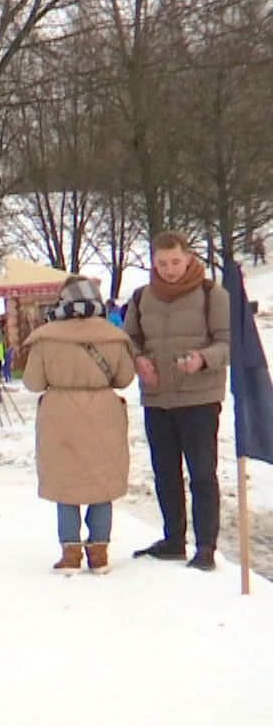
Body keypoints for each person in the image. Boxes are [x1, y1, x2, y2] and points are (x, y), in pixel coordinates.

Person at [125, 230, 230, 571]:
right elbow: (129, 340)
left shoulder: (211, 293)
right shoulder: (142, 297)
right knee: (164, 473)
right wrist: (138, 359)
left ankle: (205, 547)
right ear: (152, 262)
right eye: (161, 263)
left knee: (201, 473)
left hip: (199, 397)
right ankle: (173, 540)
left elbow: (229, 343)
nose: (169, 270)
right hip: (158, 399)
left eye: (175, 262)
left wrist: (202, 359)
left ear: (188, 258)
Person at [21, 277, 136, 575]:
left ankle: (70, 553)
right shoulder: (114, 336)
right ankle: (99, 552)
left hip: (60, 416)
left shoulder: (45, 338)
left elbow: (33, 382)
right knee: (101, 484)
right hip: (104, 414)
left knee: (65, 484)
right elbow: (124, 379)